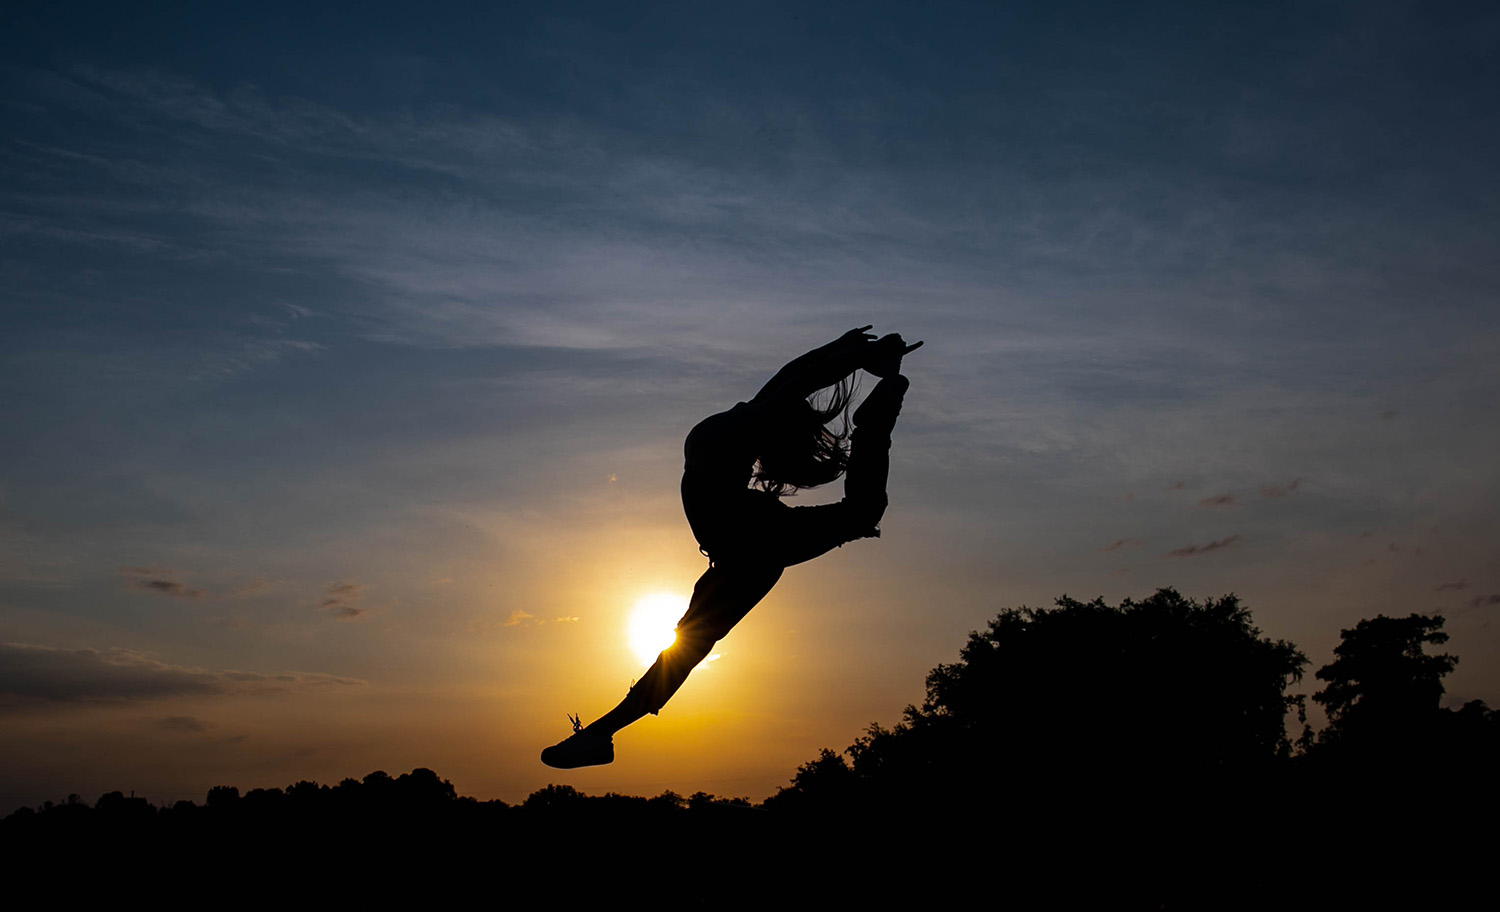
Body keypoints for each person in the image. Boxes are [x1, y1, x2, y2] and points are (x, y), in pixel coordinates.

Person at [541, 326, 922, 768]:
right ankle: (601, 735)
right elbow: (798, 379)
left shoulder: (743, 421)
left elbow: (795, 378)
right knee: (861, 513)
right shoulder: (752, 424)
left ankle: (601, 735)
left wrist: (848, 351)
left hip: (751, 539)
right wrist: (854, 355)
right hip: (751, 541)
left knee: (692, 643)